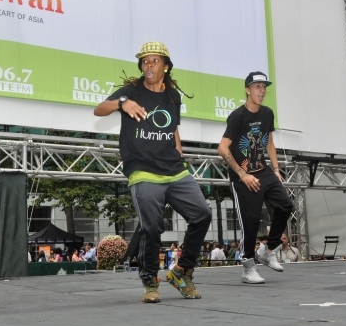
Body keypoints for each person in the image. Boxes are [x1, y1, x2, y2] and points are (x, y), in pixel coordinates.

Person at [94, 41, 211, 303]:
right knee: (152, 226)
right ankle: (149, 280)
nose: (149, 64)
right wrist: (122, 103)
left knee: (202, 214)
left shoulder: (172, 95)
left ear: (166, 67)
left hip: (173, 168)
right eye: (145, 60)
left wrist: (179, 149)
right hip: (143, 169)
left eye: (155, 60)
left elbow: (173, 127)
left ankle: (181, 271)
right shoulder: (131, 90)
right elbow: (99, 109)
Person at [218, 71, 293, 284]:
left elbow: (269, 142)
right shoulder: (238, 116)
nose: (261, 90)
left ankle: (269, 250)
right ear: (247, 89)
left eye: (264, 87)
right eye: (257, 86)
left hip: (264, 170)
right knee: (250, 223)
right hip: (242, 176)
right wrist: (242, 175)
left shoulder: (267, 113)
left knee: (285, 205)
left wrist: (277, 170)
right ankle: (248, 266)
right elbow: (222, 148)